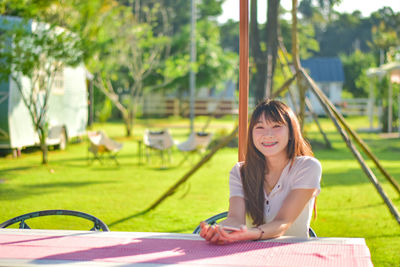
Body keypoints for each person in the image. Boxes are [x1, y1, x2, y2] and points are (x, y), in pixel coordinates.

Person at [199, 99, 322, 244]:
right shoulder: (240, 171)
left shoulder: (307, 167)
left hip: (294, 254)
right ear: (251, 133)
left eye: (276, 126)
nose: (268, 134)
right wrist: (220, 230)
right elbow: (235, 218)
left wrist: (250, 233)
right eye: (260, 127)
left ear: (291, 133)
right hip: (248, 253)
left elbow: (283, 222)